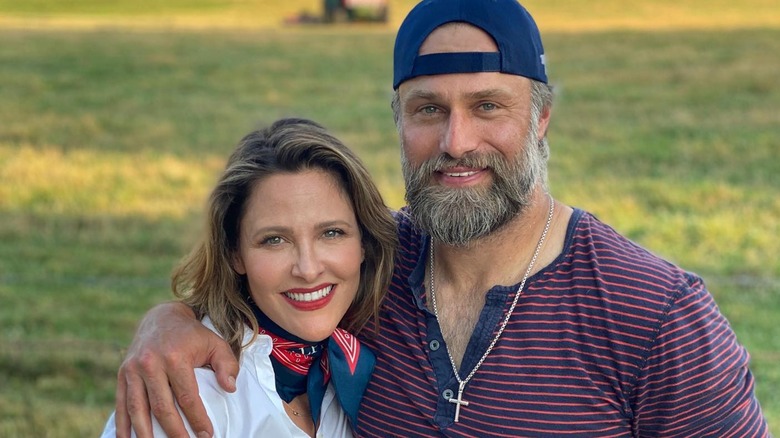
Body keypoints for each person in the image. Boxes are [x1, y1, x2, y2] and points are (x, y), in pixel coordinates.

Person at [113, 1, 770, 437]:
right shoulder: (365, 268)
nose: (456, 141)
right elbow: (257, 292)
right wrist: (168, 322)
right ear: (398, 119)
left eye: (488, 106)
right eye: (428, 109)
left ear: (541, 118)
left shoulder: (654, 314)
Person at [102, 117, 397, 437]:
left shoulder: (362, 363)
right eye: (274, 240)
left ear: (364, 243)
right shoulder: (190, 392)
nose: (308, 269)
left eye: (331, 233)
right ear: (234, 253)